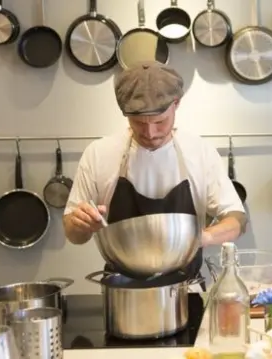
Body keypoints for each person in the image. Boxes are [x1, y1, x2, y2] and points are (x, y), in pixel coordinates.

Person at [62, 62, 247, 289]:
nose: (150, 133)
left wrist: (202, 237)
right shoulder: (98, 154)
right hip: (121, 293)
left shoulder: (200, 152)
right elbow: (73, 235)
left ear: (176, 104)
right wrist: (81, 224)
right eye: (139, 123)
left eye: (160, 122)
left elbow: (237, 220)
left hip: (185, 291)